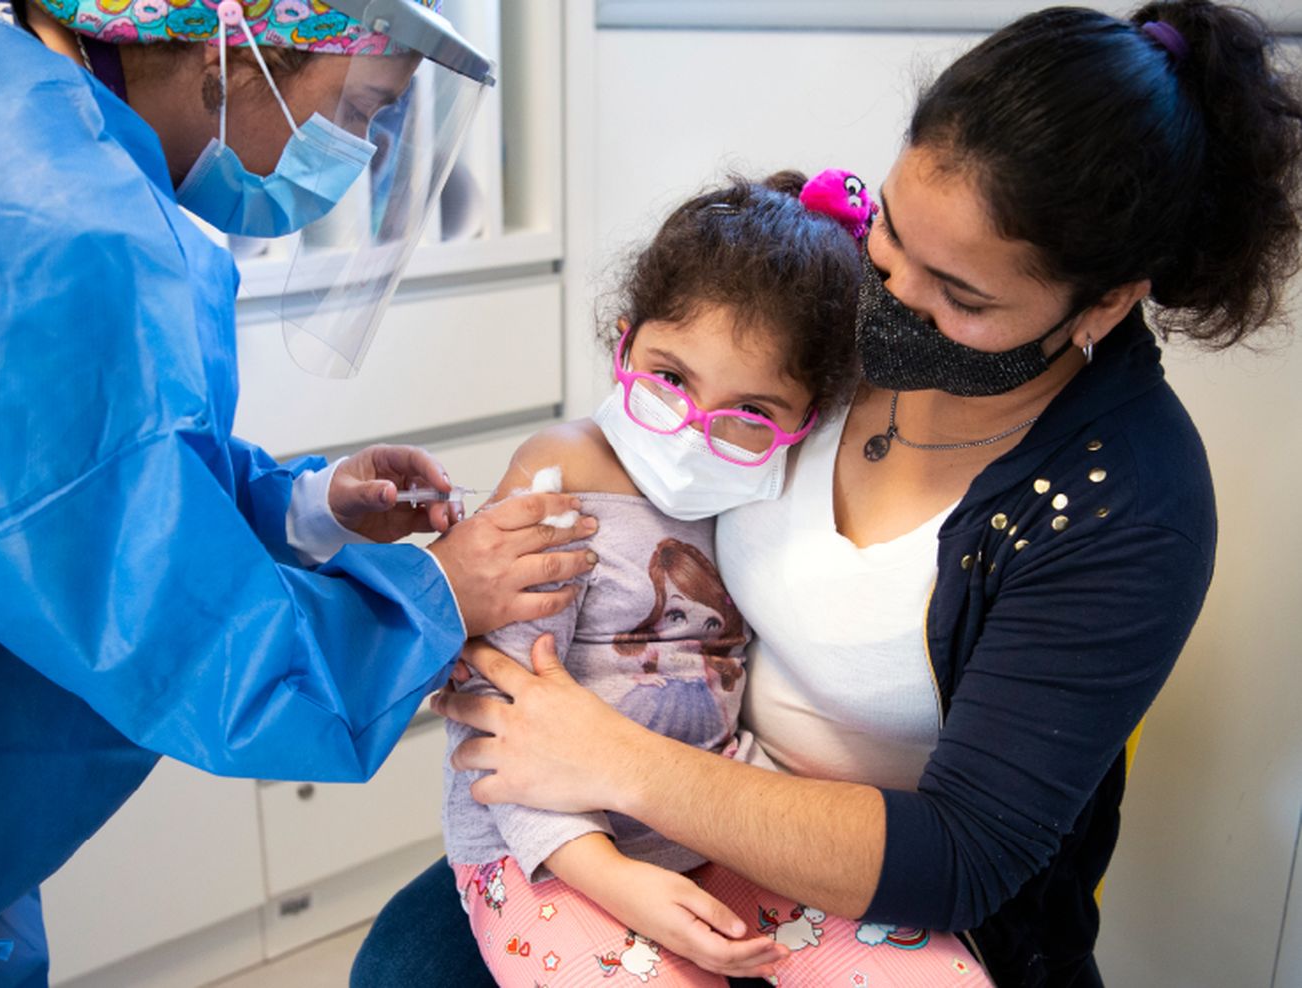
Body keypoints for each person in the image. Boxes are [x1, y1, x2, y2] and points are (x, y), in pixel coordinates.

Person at [356, 2, 1302, 985]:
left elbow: (961, 856)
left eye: (962, 297)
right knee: (405, 963)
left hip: (872, 876)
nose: (888, 297)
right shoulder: (823, 300)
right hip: (634, 789)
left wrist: (609, 757)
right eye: (893, 233)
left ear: (1103, 301)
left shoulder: (1128, 502)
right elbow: (623, 457)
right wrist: (475, 556)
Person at [0, 0, 597, 983]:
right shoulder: (26, 224)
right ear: (237, 56)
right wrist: (434, 593)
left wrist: (303, 506)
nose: (364, 154)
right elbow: (182, 634)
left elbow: (75, 477)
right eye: (363, 109)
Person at [437, 171, 996, 987]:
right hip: (546, 849)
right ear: (624, 341)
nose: (696, 430)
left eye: (752, 413)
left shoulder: (757, 490)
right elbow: (493, 726)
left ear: (811, 421)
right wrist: (616, 878)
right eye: (668, 377)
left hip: (717, 820)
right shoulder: (558, 480)